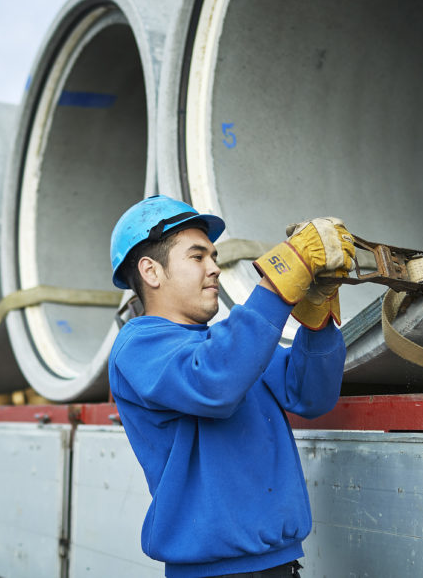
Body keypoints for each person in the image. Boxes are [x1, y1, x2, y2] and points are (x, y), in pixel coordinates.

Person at [107, 195, 354, 578]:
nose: (214, 269)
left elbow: (311, 396)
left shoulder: (228, 346)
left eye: (214, 257)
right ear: (151, 272)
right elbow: (214, 384)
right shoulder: (138, 346)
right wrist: (278, 284)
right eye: (197, 257)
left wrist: (318, 320)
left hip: (279, 564)